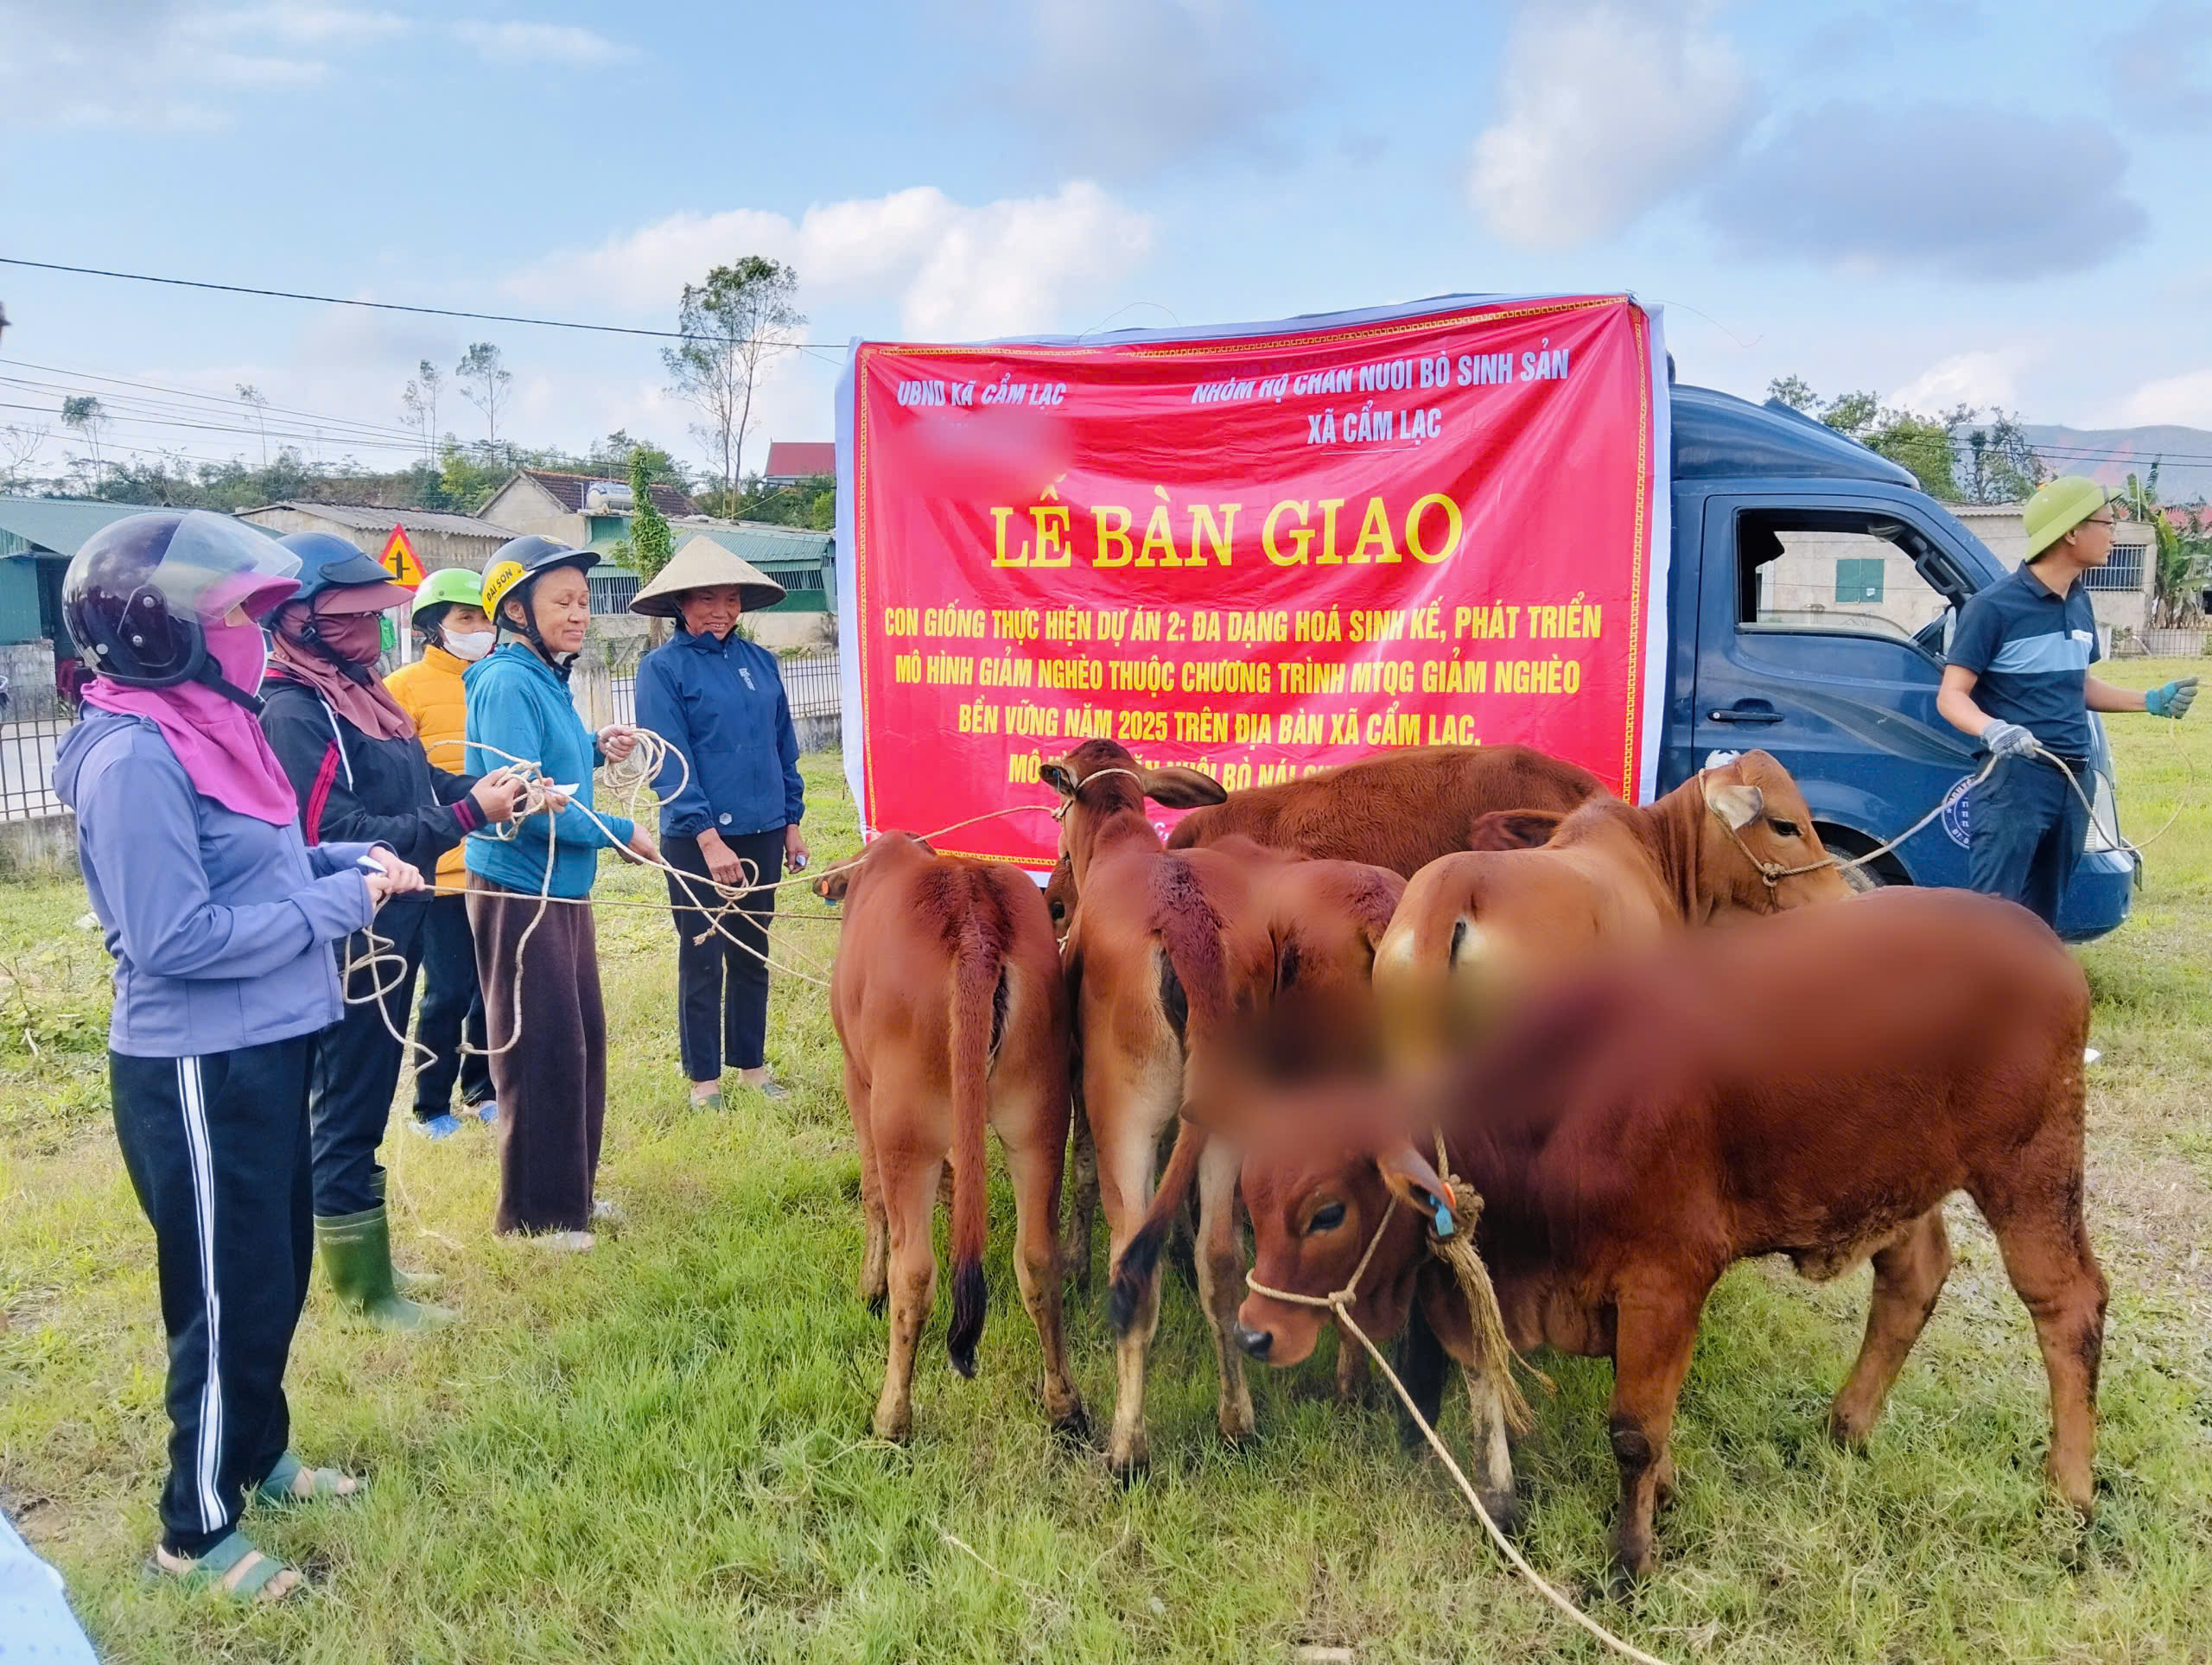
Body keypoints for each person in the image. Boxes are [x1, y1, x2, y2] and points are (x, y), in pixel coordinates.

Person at [52, 511, 420, 1601]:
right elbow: (172, 939)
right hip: (196, 1070)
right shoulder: (132, 754)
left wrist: (342, 854)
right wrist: (335, 903)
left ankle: (258, 1458)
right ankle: (194, 1525)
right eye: (227, 620)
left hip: (268, 1046)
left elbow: (257, 861)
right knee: (221, 1294)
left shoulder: (212, 726)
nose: (249, 639)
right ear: (158, 632)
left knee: (274, 1276)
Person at [257, 533, 525, 1328]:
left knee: (367, 1089)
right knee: (346, 1097)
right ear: (295, 617)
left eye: (375, 614)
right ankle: (361, 1288)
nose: (370, 629)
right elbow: (335, 830)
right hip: (349, 934)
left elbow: (418, 782)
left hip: (399, 914)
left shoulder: (361, 693)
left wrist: (486, 787)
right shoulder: (295, 710)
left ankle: (367, 1262)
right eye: (349, 615)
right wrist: (466, 816)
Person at [466, 536, 655, 1249]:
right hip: (521, 891)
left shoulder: (544, 677)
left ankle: (570, 1194)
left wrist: (592, 739)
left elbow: (555, 760)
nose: (579, 615)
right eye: (562, 602)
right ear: (516, 609)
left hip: (561, 891)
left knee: (579, 1042)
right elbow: (524, 797)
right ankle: (537, 1217)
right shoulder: (506, 680)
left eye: (583, 602)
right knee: (540, 1049)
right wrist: (617, 830)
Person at [1938, 476, 2197, 929]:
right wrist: (1993, 729)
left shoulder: (2079, 602)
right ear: (2071, 532)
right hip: (2016, 782)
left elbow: (2080, 686)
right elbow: (1951, 696)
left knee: (2042, 918)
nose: (2114, 534)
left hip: (2074, 781)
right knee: (1988, 916)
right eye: (2107, 523)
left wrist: (2152, 700)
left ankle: (2031, 997)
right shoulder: (1994, 607)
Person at [629, 540, 808, 1109]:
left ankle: (752, 1066)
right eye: (707, 598)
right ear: (681, 603)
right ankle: (704, 1081)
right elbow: (668, 760)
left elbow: (784, 748)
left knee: (752, 949)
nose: (722, 610)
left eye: (731, 599)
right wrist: (707, 837)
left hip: (763, 827)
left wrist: (791, 822)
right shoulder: (662, 669)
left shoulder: (761, 664)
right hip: (696, 838)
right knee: (703, 952)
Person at [385, 567, 502, 1138]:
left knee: (490, 985)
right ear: (432, 628)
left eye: (484, 617)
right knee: (449, 988)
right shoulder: (404, 688)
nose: (479, 628)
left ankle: (482, 1086)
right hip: (441, 871)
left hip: (498, 862)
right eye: (465, 618)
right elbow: (400, 779)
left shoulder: (499, 679)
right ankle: (430, 1105)